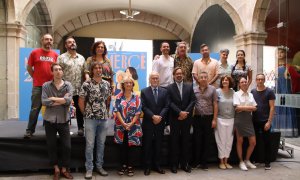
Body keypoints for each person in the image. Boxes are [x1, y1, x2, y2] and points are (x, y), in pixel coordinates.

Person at [78, 62, 111, 179]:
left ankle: (99, 166)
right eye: (96, 68)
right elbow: (81, 101)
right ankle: (89, 169)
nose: (98, 70)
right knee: (90, 145)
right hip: (90, 119)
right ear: (92, 70)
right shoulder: (86, 84)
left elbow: (108, 100)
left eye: (100, 68)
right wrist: (86, 114)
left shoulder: (107, 84)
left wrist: (106, 112)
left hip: (103, 119)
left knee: (101, 144)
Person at [41, 63, 73, 180]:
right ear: (52, 72)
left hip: (64, 120)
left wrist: (53, 99)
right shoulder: (46, 86)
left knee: (67, 146)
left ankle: (64, 169)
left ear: (63, 72)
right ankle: (56, 169)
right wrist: (62, 100)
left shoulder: (68, 85)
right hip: (49, 120)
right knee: (51, 145)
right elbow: (44, 102)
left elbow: (69, 101)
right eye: (56, 70)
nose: (58, 71)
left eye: (60, 69)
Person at [24, 33, 58, 139]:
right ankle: (29, 131)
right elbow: (29, 68)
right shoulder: (35, 53)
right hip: (38, 86)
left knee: (52, 109)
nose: (49, 41)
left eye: (51, 40)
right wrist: (36, 77)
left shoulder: (55, 55)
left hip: (51, 86)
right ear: (42, 41)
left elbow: (57, 70)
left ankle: (52, 131)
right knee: (35, 109)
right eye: (46, 39)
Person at [167, 67, 196, 173]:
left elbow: (193, 100)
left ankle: (185, 164)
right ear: (174, 76)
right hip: (174, 118)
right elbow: (169, 102)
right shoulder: (169, 88)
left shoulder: (189, 86)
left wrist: (185, 113)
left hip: (186, 119)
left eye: (180, 73)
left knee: (185, 142)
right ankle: (174, 165)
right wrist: (179, 112)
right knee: (174, 142)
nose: (179, 75)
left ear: (183, 75)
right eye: (177, 74)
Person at [141, 72, 169, 176]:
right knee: (147, 145)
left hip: (160, 122)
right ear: (149, 79)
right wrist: (153, 116)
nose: (155, 80)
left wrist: (160, 117)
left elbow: (167, 106)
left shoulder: (164, 91)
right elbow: (143, 107)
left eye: (157, 78)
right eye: (153, 78)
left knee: (158, 145)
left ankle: (157, 165)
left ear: (159, 79)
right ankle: (147, 166)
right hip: (148, 122)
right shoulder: (144, 91)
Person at [114, 76, 142, 177]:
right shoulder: (118, 97)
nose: (129, 84)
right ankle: (123, 165)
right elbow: (116, 111)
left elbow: (138, 112)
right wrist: (124, 124)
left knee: (132, 147)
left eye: (130, 83)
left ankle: (130, 166)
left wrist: (131, 123)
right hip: (121, 127)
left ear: (133, 85)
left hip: (133, 127)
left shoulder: (137, 97)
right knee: (122, 147)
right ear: (123, 85)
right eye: (126, 83)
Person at [57, 36, 85, 136]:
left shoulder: (81, 58)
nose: (72, 43)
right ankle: (60, 129)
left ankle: (81, 128)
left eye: (73, 42)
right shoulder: (61, 58)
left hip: (79, 88)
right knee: (63, 109)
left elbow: (84, 73)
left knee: (79, 109)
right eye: (69, 42)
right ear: (66, 45)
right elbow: (58, 73)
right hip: (65, 88)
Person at [192, 71, 218, 170]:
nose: (203, 79)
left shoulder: (213, 89)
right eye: (201, 77)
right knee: (196, 140)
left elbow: (215, 104)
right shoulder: (194, 89)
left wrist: (214, 119)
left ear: (207, 78)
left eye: (205, 77)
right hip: (197, 118)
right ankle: (196, 162)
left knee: (207, 141)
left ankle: (204, 162)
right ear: (198, 78)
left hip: (209, 117)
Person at [251, 73, 275, 170]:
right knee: (254, 142)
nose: (260, 81)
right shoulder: (252, 91)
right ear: (256, 80)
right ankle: (255, 160)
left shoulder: (269, 92)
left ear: (264, 80)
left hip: (265, 121)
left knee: (267, 142)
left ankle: (267, 162)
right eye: (258, 79)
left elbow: (272, 107)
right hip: (254, 120)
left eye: (262, 79)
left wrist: (269, 121)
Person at [272, 47, 298, 137]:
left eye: (282, 52)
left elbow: (296, 77)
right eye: (278, 52)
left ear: (285, 54)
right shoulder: (277, 67)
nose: (279, 54)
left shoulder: (288, 67)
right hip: (278, 92)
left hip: (286, 91)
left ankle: (288, 130)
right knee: (280, 109)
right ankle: (280, 129)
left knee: (286, 108)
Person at [233, 77, 257, 171]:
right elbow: (237, 108)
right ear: (239, 84)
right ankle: (241, 161)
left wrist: (243, 107)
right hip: (239, 119)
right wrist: (249, 107)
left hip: (248, 119)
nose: (244, 83)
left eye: (245, 81)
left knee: (253, 142)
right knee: (240, 141)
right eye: (242, 82)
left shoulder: (251, 95)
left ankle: (247, 160)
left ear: (247, 83)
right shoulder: (236, 94)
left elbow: (255, 108)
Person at [84, 41, 114, 111]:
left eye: (102, 47)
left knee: (105, 106)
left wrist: (112, 85)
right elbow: (86, 71)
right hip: (93, 85)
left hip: (106, 85)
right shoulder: (90, 59)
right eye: (98, 47)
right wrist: (88, 80)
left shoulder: (107, 61)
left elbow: (111, 74)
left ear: (104, 49)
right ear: (95, 48)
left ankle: (104, 120)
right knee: (93, 105)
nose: (100, 48)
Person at [214, 75, 235, 170]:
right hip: (220, 119)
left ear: (229, 82)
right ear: (221, 82)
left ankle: (227, 161)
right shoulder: (217, 91)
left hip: (231, 119)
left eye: (227, 80)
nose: (225, 81)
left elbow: (236, 106)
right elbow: (215, 105)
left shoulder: (233, 92)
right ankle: (221, 161)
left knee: (229, 141)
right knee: (221, 141)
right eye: (223, 80)